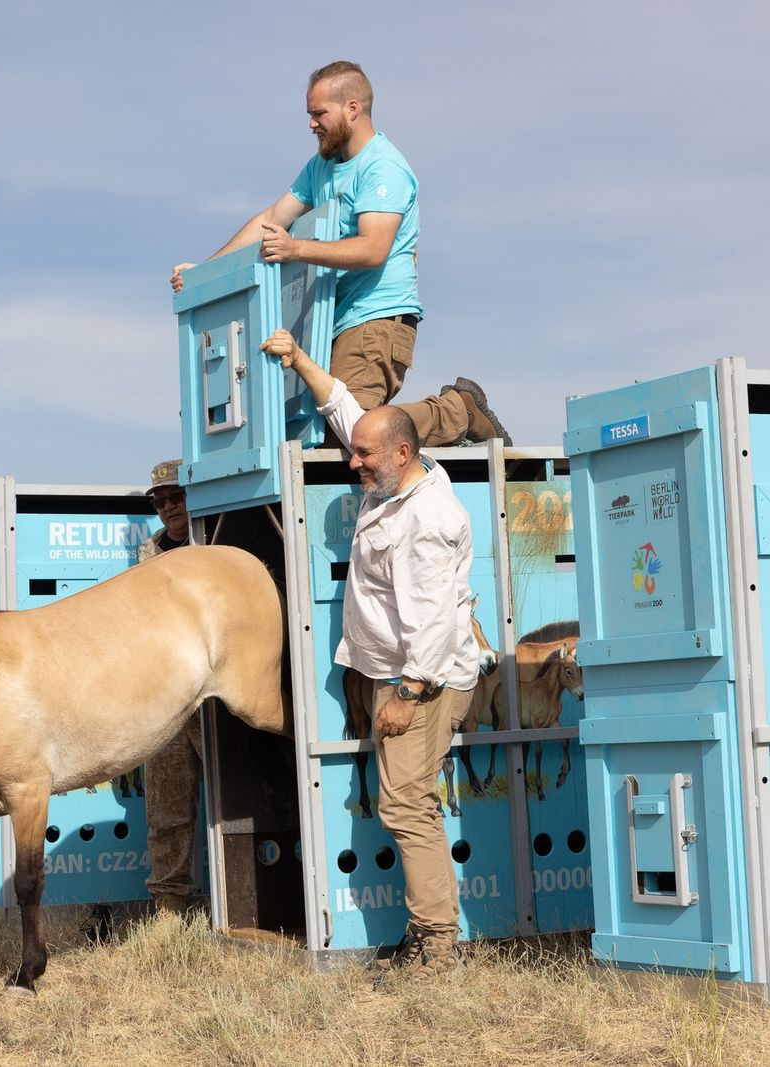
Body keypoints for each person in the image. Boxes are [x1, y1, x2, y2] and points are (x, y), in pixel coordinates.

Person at [261, 326, 478, 981]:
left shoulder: (426, 520)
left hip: (424, 680)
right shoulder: (393, 468)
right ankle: (427, 934)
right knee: (403, 802)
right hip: (394, 672)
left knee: (408, 805)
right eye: (355, 453)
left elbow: (434, 622)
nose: (351, 463)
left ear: (404, 452)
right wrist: (297, 358)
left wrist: (408, 694)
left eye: (362, 457)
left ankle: (437, 947)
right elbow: (345, 408)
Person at [171, 60, 510, 448]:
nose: (311, 123)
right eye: (309, 114)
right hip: (332, 321)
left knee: (352, 428)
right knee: (319, 430)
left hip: (376, 317)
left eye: (318, 114)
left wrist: (295, 247)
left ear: (352, 108)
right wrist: (206, 271)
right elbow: (271, 218)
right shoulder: (322, 167)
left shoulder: (383, 167)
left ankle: (458, 411)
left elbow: (373, 249)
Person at [137, 459, 203, 916]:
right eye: (159, 501)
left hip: (220, 697)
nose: (167, 507)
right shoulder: (149, 555)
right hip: (167, 698)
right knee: (166, 806)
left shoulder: (215, 541)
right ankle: (169, 908)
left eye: (175, 497)